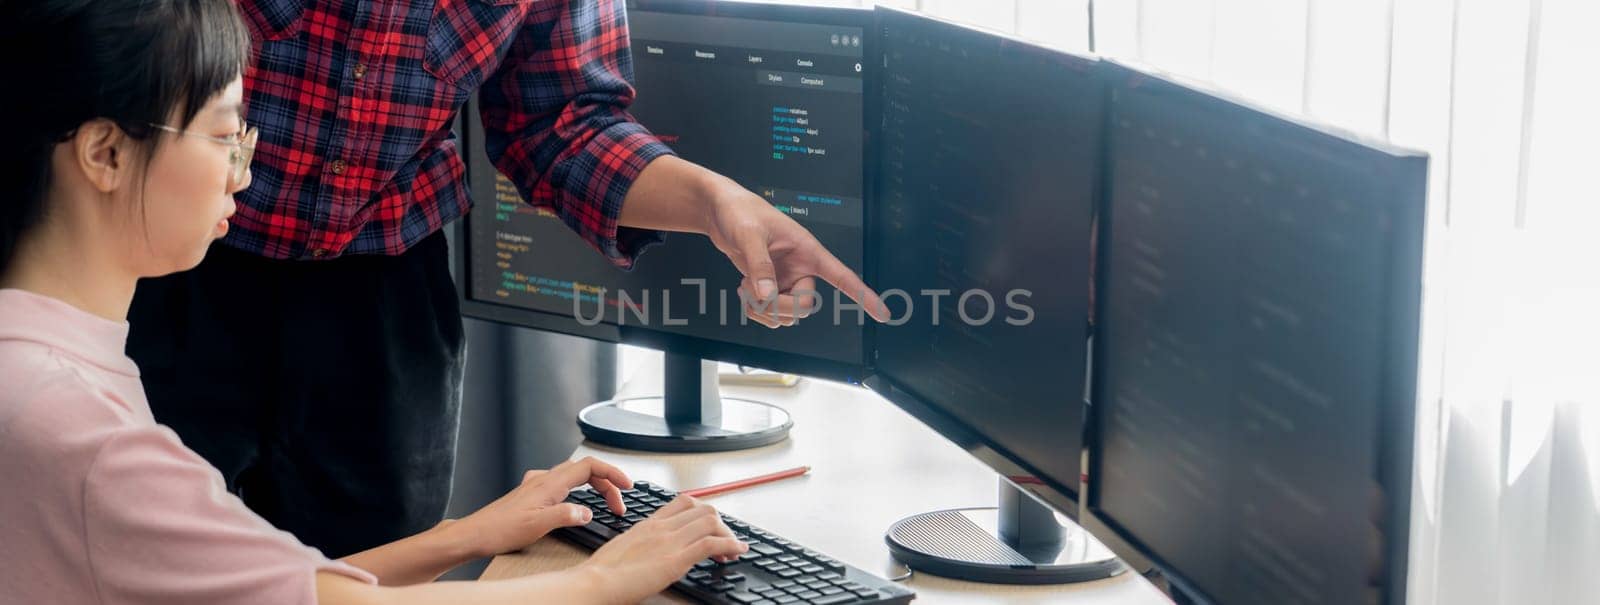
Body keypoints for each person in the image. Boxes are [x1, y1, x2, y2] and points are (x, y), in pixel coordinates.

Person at [0, 0, 746, 602]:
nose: (243, 172)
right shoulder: (90, 437)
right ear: (104, 153)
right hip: (194, 286)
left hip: (378, 284)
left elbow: (256, 579)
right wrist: (605, 579)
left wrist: (470, 533)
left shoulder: (59, 374)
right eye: (230, 136)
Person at [122, 0, 889, 558]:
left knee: (377, 574)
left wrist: (718, 203)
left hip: (383, 304)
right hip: (161, 261)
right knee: (139, 566)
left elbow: (561, 122)